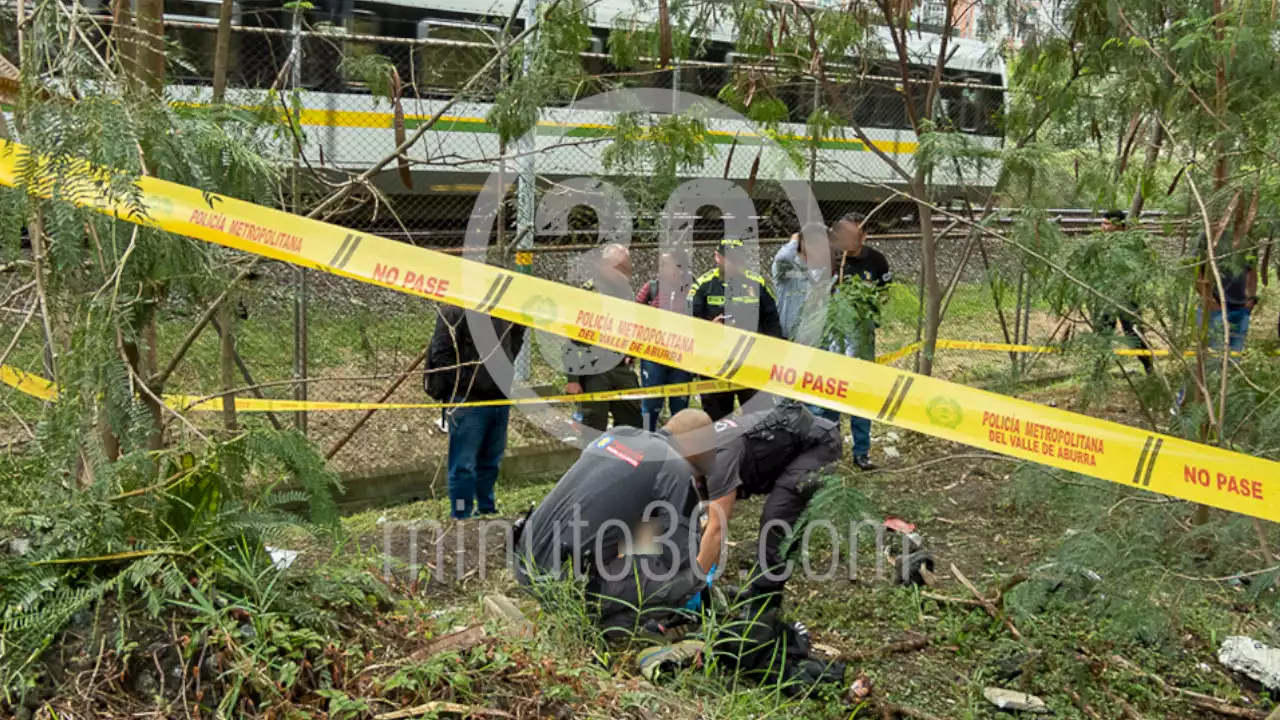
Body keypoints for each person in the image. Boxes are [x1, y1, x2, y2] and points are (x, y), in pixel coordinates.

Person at [515, 409, 717, 636]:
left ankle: (588, 614)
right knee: (687, 577)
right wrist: (701, 537)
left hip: (525, 561)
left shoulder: (619, 434)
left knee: (640, 548)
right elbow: (680, 557)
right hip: (565, 584)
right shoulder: (675, 466)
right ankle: (601, 630)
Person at [694, 401, 841, 612]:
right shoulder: (696, 456)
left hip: (819, 444)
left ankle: (764, 604)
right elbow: (709, 524)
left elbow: (717, 530)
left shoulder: (717, 460)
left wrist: (694, 587)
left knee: (776, 518)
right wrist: (706, 576)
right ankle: (757, 589)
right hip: (785, 446)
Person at [424, 306, 527, 520]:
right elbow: (441, 354)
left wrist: (502, 372)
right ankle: (461, 514)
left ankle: (487, 509)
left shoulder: (503, 309)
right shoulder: (454, 310)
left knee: (491, 461)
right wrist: (468, 382)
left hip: (499, 398)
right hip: (467, 402)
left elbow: (516, 339)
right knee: (463, 465)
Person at [822, 212, 892, 471]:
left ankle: (861, 451)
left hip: (862, 335)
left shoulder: (876, 261)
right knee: (831, 391)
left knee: (861, 391)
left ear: (863, 235)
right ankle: (829, 449)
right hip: (833, 335)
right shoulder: (829, 259)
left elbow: (885, 293)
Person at [689, 238, 783, 420]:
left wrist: (772, 353)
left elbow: (772, 321)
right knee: (719, 421)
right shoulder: (703, 285)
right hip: (715, 364)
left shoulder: (757, 283)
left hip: (752, 362)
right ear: (717, 257)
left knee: (760, 419)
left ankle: (759, 448)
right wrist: (709, 327)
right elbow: (689, 323)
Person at [564, 244, 643, 433]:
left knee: (632, 424)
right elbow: (572, 336)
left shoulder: (626, 292)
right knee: (593, 427)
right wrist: (573, 378)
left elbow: (632, 325)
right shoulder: (590, 291)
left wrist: (632, 352)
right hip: (594, 370)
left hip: (622, 368)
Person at [636, 249, 695, 431]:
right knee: (651, 405)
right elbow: (633, 315)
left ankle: (678, 449)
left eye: (665, 265)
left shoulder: (693, 288)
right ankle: (647, 443)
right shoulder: (652, 287)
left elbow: (701, 315)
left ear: (680, 268)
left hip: (682, 356)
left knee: (679, 408)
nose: (661, 269)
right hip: (653, 355)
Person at [1091, 210, 1154, 374]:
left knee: (1132, 333)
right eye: (1102, 223)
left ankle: (1149, 368)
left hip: (1128, 297)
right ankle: (1098, 371)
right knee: (1104, 332)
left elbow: (1144, 268)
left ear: (1118, 225)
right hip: (1105, 295)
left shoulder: (1134, 244)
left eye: (1107, 223)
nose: (1102, 227)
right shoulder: (1101, 244)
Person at [1198, 234, 1258, 353]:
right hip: (1215, 310)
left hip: (1241, 311)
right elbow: (1198, 275)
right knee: (1214, 356)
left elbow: (1252, 273)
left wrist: (1251, 299)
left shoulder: (1247, 242)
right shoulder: (1209, 238)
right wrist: (1214, 305)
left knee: (1235, 356)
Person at [772, 223, 828, 342]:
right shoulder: (787, 267)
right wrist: (794, 241)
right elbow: (782, 258)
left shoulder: (826, 270)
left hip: (817, 342)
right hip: (788, 339)